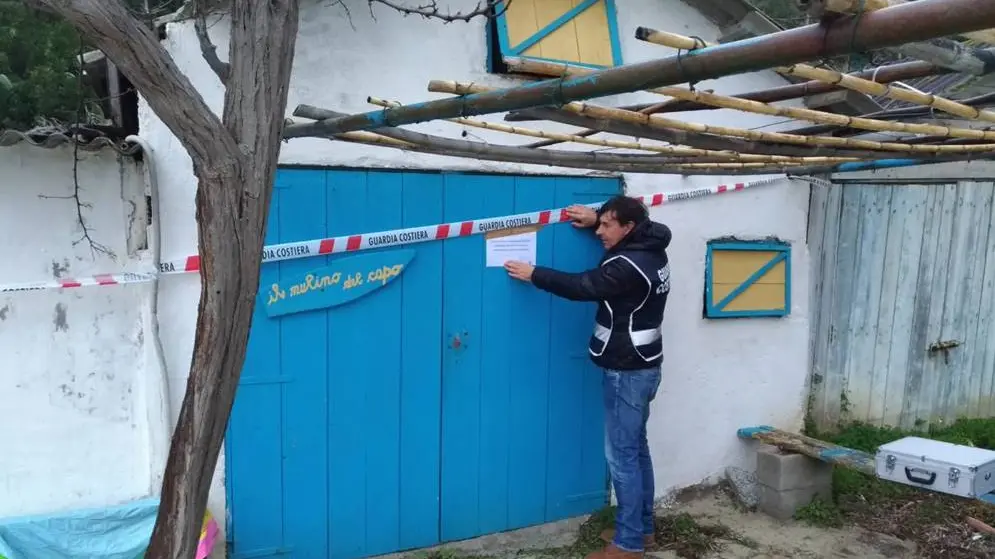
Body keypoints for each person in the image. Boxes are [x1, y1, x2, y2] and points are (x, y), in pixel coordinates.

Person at [504, 195, 672, 559]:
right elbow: (621, 236)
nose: (600, 232)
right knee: (636, 449)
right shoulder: (652, 246)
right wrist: (597, 218)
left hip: (627, 370)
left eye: (609, 225)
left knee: (622, 457)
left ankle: (628, 543)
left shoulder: (628, 265)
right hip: (644, 365)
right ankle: (641, 530)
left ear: (628, 228)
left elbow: (584, 286)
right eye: (603, 223)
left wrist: (535, 274)